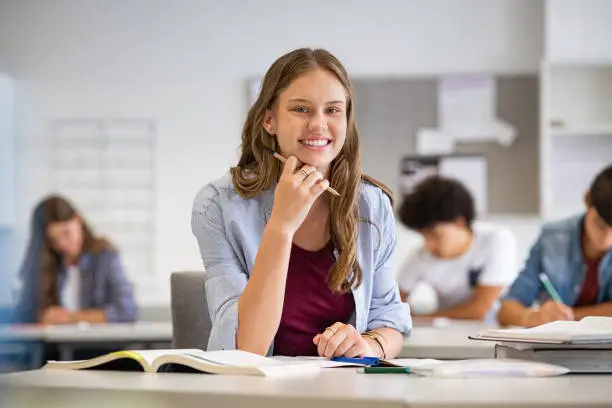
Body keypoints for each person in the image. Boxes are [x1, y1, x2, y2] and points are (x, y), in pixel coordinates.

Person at [191, 48, 411, 359]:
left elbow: (388, 318)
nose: (318, 125)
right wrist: (281, 226)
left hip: (344, 390)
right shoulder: (218, 205)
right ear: (269, 120)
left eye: (333, 110)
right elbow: (246, 347)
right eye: (301, 110)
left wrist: (369, 345)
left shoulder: (371, 204)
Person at [498, 165, 612, 327]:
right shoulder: (552, 238)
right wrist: (532, 317)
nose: (607, 240)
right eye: (599, 224)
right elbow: (507, 309)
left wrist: (570, 316)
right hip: (557, 349)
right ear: (587, 199)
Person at [397, 176, 517, 321]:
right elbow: (394, 302)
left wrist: (418, 318)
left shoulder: (496, 240)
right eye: (423, 236)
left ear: (460, 222)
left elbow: (478, 310)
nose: (428, 245)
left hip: (493, 331)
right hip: (448, 333)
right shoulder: (422, 255)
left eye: (435, 235)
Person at [13, 195, 138, 324]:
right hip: (55, 343)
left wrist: (70, 317)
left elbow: (127, 312)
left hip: (97, 343)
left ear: (78, 220)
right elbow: (23, 315)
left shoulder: (105, 257)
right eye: (53, 240)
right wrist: (42, 317)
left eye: (66, 232)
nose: (62, 244)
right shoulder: (48, 263)